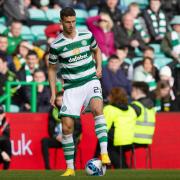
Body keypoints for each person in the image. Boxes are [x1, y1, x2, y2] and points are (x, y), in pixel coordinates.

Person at [48, 7, 110, 176]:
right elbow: (52, 69)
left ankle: (104, 153)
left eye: (73, 21)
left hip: (90, 80)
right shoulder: (56, 45)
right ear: (61, 22)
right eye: (67, 22)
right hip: (71, 87)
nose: (71, 25)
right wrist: (53, 93)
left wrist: (99, 67)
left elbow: (97, 51)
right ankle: (70, 168)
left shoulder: (87, 35)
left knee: (98, 108)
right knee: (67, 127)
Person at [41, 92, 82, 169]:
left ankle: (71, 166)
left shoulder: (73, 110)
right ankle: (47, 167)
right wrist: (55, 136)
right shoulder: (53, 111)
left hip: (71, 137)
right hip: (59, 138)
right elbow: (50, 127)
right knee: (44, 141)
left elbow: (78, 129)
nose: (60, 103)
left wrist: (67, 136)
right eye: (58, 101)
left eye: (62, 100)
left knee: (73, 141)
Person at [103, 87, 137, 168]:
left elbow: (104, 128)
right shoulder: (131, 109)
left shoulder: (109, 109)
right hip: (130, 141)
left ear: (112, 97)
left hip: (117, 142)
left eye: (109, 95)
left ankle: (122, 168)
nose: (107, 97)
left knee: (106, 144)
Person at [0, 105, 12, 170]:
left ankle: (6, 170)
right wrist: (2, 152)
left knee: (7, 143)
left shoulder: (5, 122)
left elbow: (6, 136)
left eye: (1, 113)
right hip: (1, 152)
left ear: (4, 114)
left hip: (2, 153)